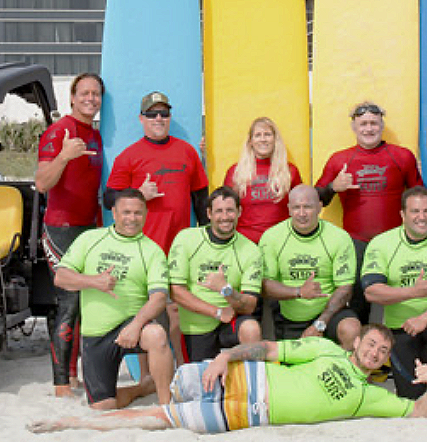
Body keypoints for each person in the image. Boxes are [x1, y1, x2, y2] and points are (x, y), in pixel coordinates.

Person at [27, 324, 427, 434]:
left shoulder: (366, 397)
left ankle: (75, 422)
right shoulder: (327, 349)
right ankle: (141, 387)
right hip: (239, 377)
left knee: (159, 418)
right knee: (177, 382)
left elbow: (422, 414)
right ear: (357, 345)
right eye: (370, 344)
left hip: (244, 415)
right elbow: (268, 350)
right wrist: (226, 355)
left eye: (382, 352)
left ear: (384, 361)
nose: (374, 353)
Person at [54, 188, 174, 410]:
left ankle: (166, 406)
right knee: (103, 406)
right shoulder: (90, 239)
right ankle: (140, 388)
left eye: (138, 213)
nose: (132, 219)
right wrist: (94, 281)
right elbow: (61, 277)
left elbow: (158, 298)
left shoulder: (152, 251)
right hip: (96, 335)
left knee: (156, 334)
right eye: (126, 212)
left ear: (146, 214)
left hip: (132, 324)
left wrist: (136, 325)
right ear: (114, 213)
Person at [315, 101, 422, 324]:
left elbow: (419, 196)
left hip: (395, 242)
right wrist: (334, 187)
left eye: (374, 123)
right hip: (357, 243)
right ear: (354, 127)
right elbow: (316, 200)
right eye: (363, 124)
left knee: (403, 302)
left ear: (382, 125)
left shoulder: (401, 156)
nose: (369, 129)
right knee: (357, 304)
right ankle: (356, 353)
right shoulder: (340, 160)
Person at [362, 186, 427, 409]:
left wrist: (424, 318)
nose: (422, 217)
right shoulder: (382, 244)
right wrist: (411, 292)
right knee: (412, 397)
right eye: (415, 211)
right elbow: (371, 291)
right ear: (402, 214)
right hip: (401, 325)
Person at [35, 72, 105, 397]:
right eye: (84, 93)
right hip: (60, 228)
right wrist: (63, 156)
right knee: (68, 300)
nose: (90, 99)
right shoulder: (59, 131)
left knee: (85, 303)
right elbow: (41, 183)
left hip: (89, 228)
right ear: (73, 98)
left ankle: (75, 374)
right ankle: (61, 384)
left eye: (96, 94)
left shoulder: (96, 134)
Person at [104, 91, 209, 254]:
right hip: (142, 247)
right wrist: (139, 194)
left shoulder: (187, 151)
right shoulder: (128, 156)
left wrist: (206, 239)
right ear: (142, 119)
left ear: (169, 117)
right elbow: (108, 199)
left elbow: (201, 198)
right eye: (152, 114)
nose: (158, 118)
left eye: (164, 113)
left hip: (181, 247)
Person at [259, 185, 360, 349]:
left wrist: (320, 323)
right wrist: (299, 292)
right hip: (290, 317)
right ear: (289, 209)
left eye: (308, 207)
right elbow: (264, 286)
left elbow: (345, 288)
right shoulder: (271, 237)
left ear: (319, 207)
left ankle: (346, 371)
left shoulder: (339, 237)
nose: (302, 213)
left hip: (329, 315)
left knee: (351, 329)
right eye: (296, 207)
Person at [169, 186, 263, 362]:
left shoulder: (250, 250)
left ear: (239, 212)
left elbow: (250, 305)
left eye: (230, 210)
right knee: (201, 385)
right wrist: (217, 312)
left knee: (251, 328)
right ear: (209, 213)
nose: (225, 217)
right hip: (197, 326)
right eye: (219, 211)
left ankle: (253, 384)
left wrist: (226, 290)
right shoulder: (186, 239)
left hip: (232, 322)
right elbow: (175, 291)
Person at [223, 117, 302, 243]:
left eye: (268, 134)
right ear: (250, 141)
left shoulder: (290, 171)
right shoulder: (235, 172)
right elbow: (225, 211)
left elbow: (300, 208)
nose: (263, 139)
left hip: (281, 242)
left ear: (275, 140)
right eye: (258, 135)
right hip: (245, 243)